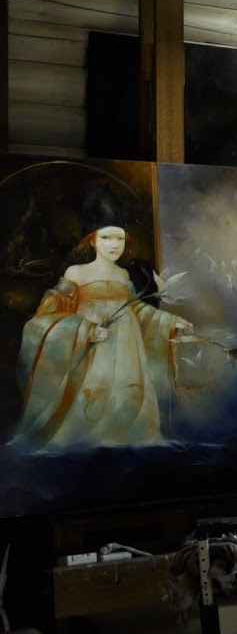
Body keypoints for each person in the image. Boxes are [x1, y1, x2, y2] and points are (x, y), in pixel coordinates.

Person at [14, 193, 192, 450]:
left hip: (128, 348)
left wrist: (171, 321)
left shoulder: (123, 275)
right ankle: (84, 439)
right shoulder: (76, 273)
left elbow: (136, 310)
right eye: (106, 237)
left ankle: (127, 436)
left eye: (120, 238)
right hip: (94, 347)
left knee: (128, 390)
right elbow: (51, 313)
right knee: (92, 391)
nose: (114, 245)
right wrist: (85, 328)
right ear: (92, 240)